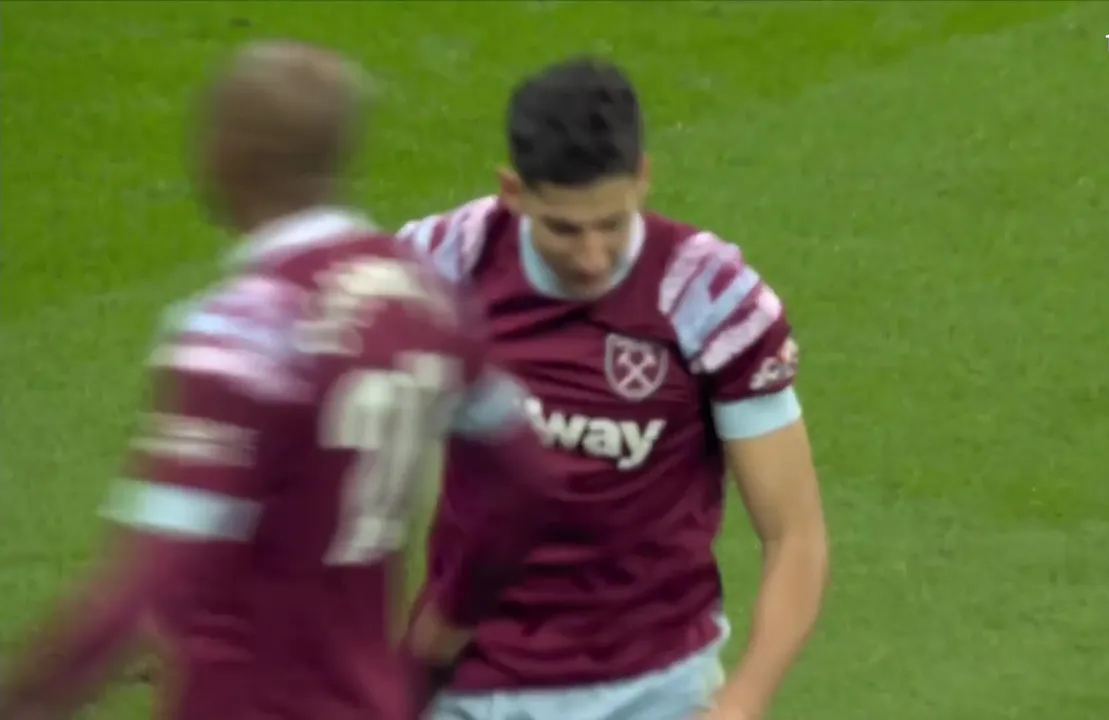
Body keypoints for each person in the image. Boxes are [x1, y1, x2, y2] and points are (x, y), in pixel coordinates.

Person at [0, 41, 556, 720]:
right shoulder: (429, 302)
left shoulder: (246, 330)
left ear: (227, 155)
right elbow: (528, 476)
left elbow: (150, 582)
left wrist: (24, 694)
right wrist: (447, 625)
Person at [399, 57, 829, 720]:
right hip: (469, 684)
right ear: (513, 191)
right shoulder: (442, 265)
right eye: (564, 229)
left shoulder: (710, 301)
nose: (592, 257)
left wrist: (742, 702)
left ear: (644, 178)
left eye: (612, 223)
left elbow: (794, 534)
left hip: (653, 691)